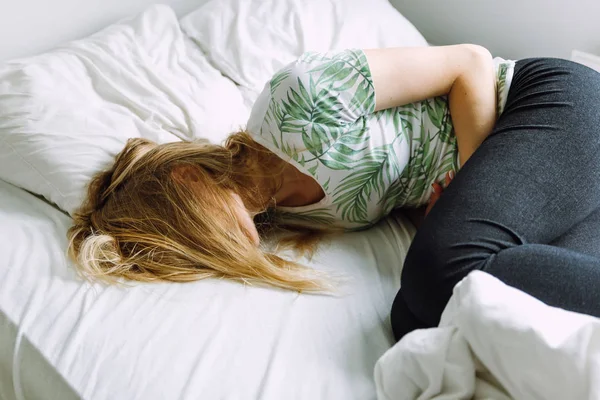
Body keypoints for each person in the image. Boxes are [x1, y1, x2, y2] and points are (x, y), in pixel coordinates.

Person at [68, 44, 600, 341]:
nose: (223, 250)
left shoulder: (296, 100)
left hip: (546, 105)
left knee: (435, 276)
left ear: (186, 181)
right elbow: (417, 184)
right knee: (411, 323)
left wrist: (468, 180)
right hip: (561, 186)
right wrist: (443, 212)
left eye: (199, 234)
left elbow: (470, 64)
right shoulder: (298, 216)